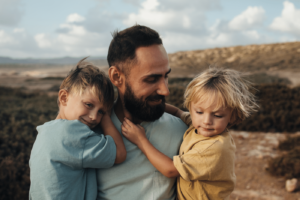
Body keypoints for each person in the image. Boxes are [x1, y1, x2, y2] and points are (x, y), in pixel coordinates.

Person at [122, 68, 259, 199]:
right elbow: (177, 112)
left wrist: (141, 141)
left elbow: (170, 170)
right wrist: (148, 105)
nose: (206, 121)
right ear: (191, 107)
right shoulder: (197, 124)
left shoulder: (215, 148)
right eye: (199, 112)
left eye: (217, 115)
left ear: (233, 116)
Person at [96, 25, 188, 199]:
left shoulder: (184, 133)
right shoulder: (90, 136)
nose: (165, 90)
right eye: (151, 79)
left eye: (165, 76)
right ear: (116, 77)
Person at [29, 58, 126, 200]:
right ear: (64, 98)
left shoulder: (45, 132)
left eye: (100, 111)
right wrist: (106, 117)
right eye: (88, 104)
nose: (94, 117)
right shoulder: (72, 133)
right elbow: (119, 153)